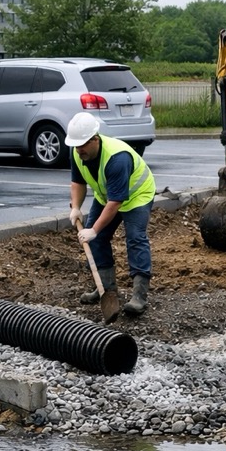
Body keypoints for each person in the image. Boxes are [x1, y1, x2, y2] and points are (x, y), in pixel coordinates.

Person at [65, 113, 157, 316]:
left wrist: (94, 229)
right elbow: (77, 182)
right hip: (107, 196)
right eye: (76, 145)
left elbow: (116, 203)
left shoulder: (117, 158)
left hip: (137, 195)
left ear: (95, 139)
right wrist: (76, 207)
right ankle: (106, 290)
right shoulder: (77, 152)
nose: (79, 150)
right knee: (96, 240)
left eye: (82, 145)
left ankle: (139, 296)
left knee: (135, 238)